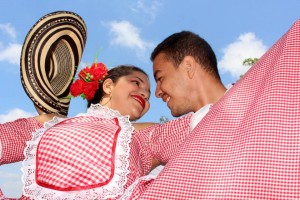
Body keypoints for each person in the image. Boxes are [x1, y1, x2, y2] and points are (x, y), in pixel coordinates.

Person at [128, 20, 300, 199]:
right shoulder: (180, 136)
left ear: (188, 66)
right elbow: (128, 135)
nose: (157, 92)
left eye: (160, 78)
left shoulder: (267, 89)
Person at [1, 63, 192, 200]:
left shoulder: (147, 133)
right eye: (136, 83)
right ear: (108, 86)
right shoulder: (48, 125)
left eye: (148, 95)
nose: (144, 93)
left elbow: (205, 128)